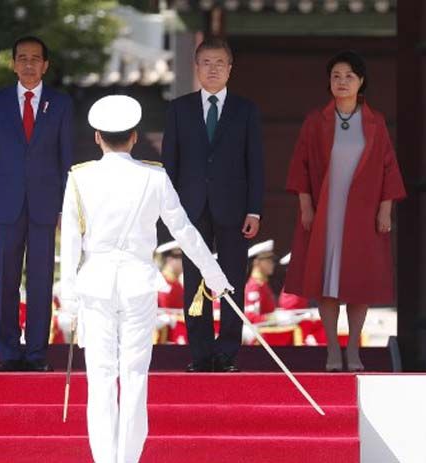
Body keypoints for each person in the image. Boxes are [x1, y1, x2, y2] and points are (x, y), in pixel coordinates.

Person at [60, 95, 232, 463]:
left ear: (97, 137)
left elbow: (71, 242)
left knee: (102, 379)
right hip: (138, 282)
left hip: (96, 283)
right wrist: (213, 273)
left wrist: (68, 298)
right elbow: (183, 230)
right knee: (135, 376)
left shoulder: (80, 178)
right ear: (134, 137)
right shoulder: (154, 176)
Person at [284, 50, 406, 372]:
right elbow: (301, 165)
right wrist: (306, 206)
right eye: (336, 76)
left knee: (358, 280)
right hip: (327, 211)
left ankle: (354, 348)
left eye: (349, 76)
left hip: (364, 213)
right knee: (327, 279)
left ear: (361, 81)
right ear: (329, 81)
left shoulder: (375, 123)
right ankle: (332, 350)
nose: (342, 82)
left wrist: (385, 209)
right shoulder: (316, 121)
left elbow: (388, 168)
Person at [162, 37, 265, 373]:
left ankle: (227, 352)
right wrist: (170, 211)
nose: (213, 69)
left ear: (230, 69)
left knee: (233, 276)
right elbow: (170, 165)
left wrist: (254, 209)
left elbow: (256, 164)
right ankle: (202, 352)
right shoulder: (178, 109)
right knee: (194, 280)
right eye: (206, 62)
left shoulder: (247, 110)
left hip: (235, 209)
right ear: (196, 67)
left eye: (220, 63)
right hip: (190, 210)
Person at [0, 36, 73, 372]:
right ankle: (8, 353)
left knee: (41, 280)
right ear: (13, 63)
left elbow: (66, 160)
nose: (29, 64)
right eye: (22, 58)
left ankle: (36, 354)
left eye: (35, 59)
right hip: (6, 203)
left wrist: (66, 206)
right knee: (5, 280)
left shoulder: (61, 104)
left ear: (46, 65)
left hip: (47, 205)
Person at [245, 239, 277, 316]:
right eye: (269, 260)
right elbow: (251, 317)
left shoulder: (262, 284)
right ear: (256, 262)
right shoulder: (254, 286)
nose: (272, 264)